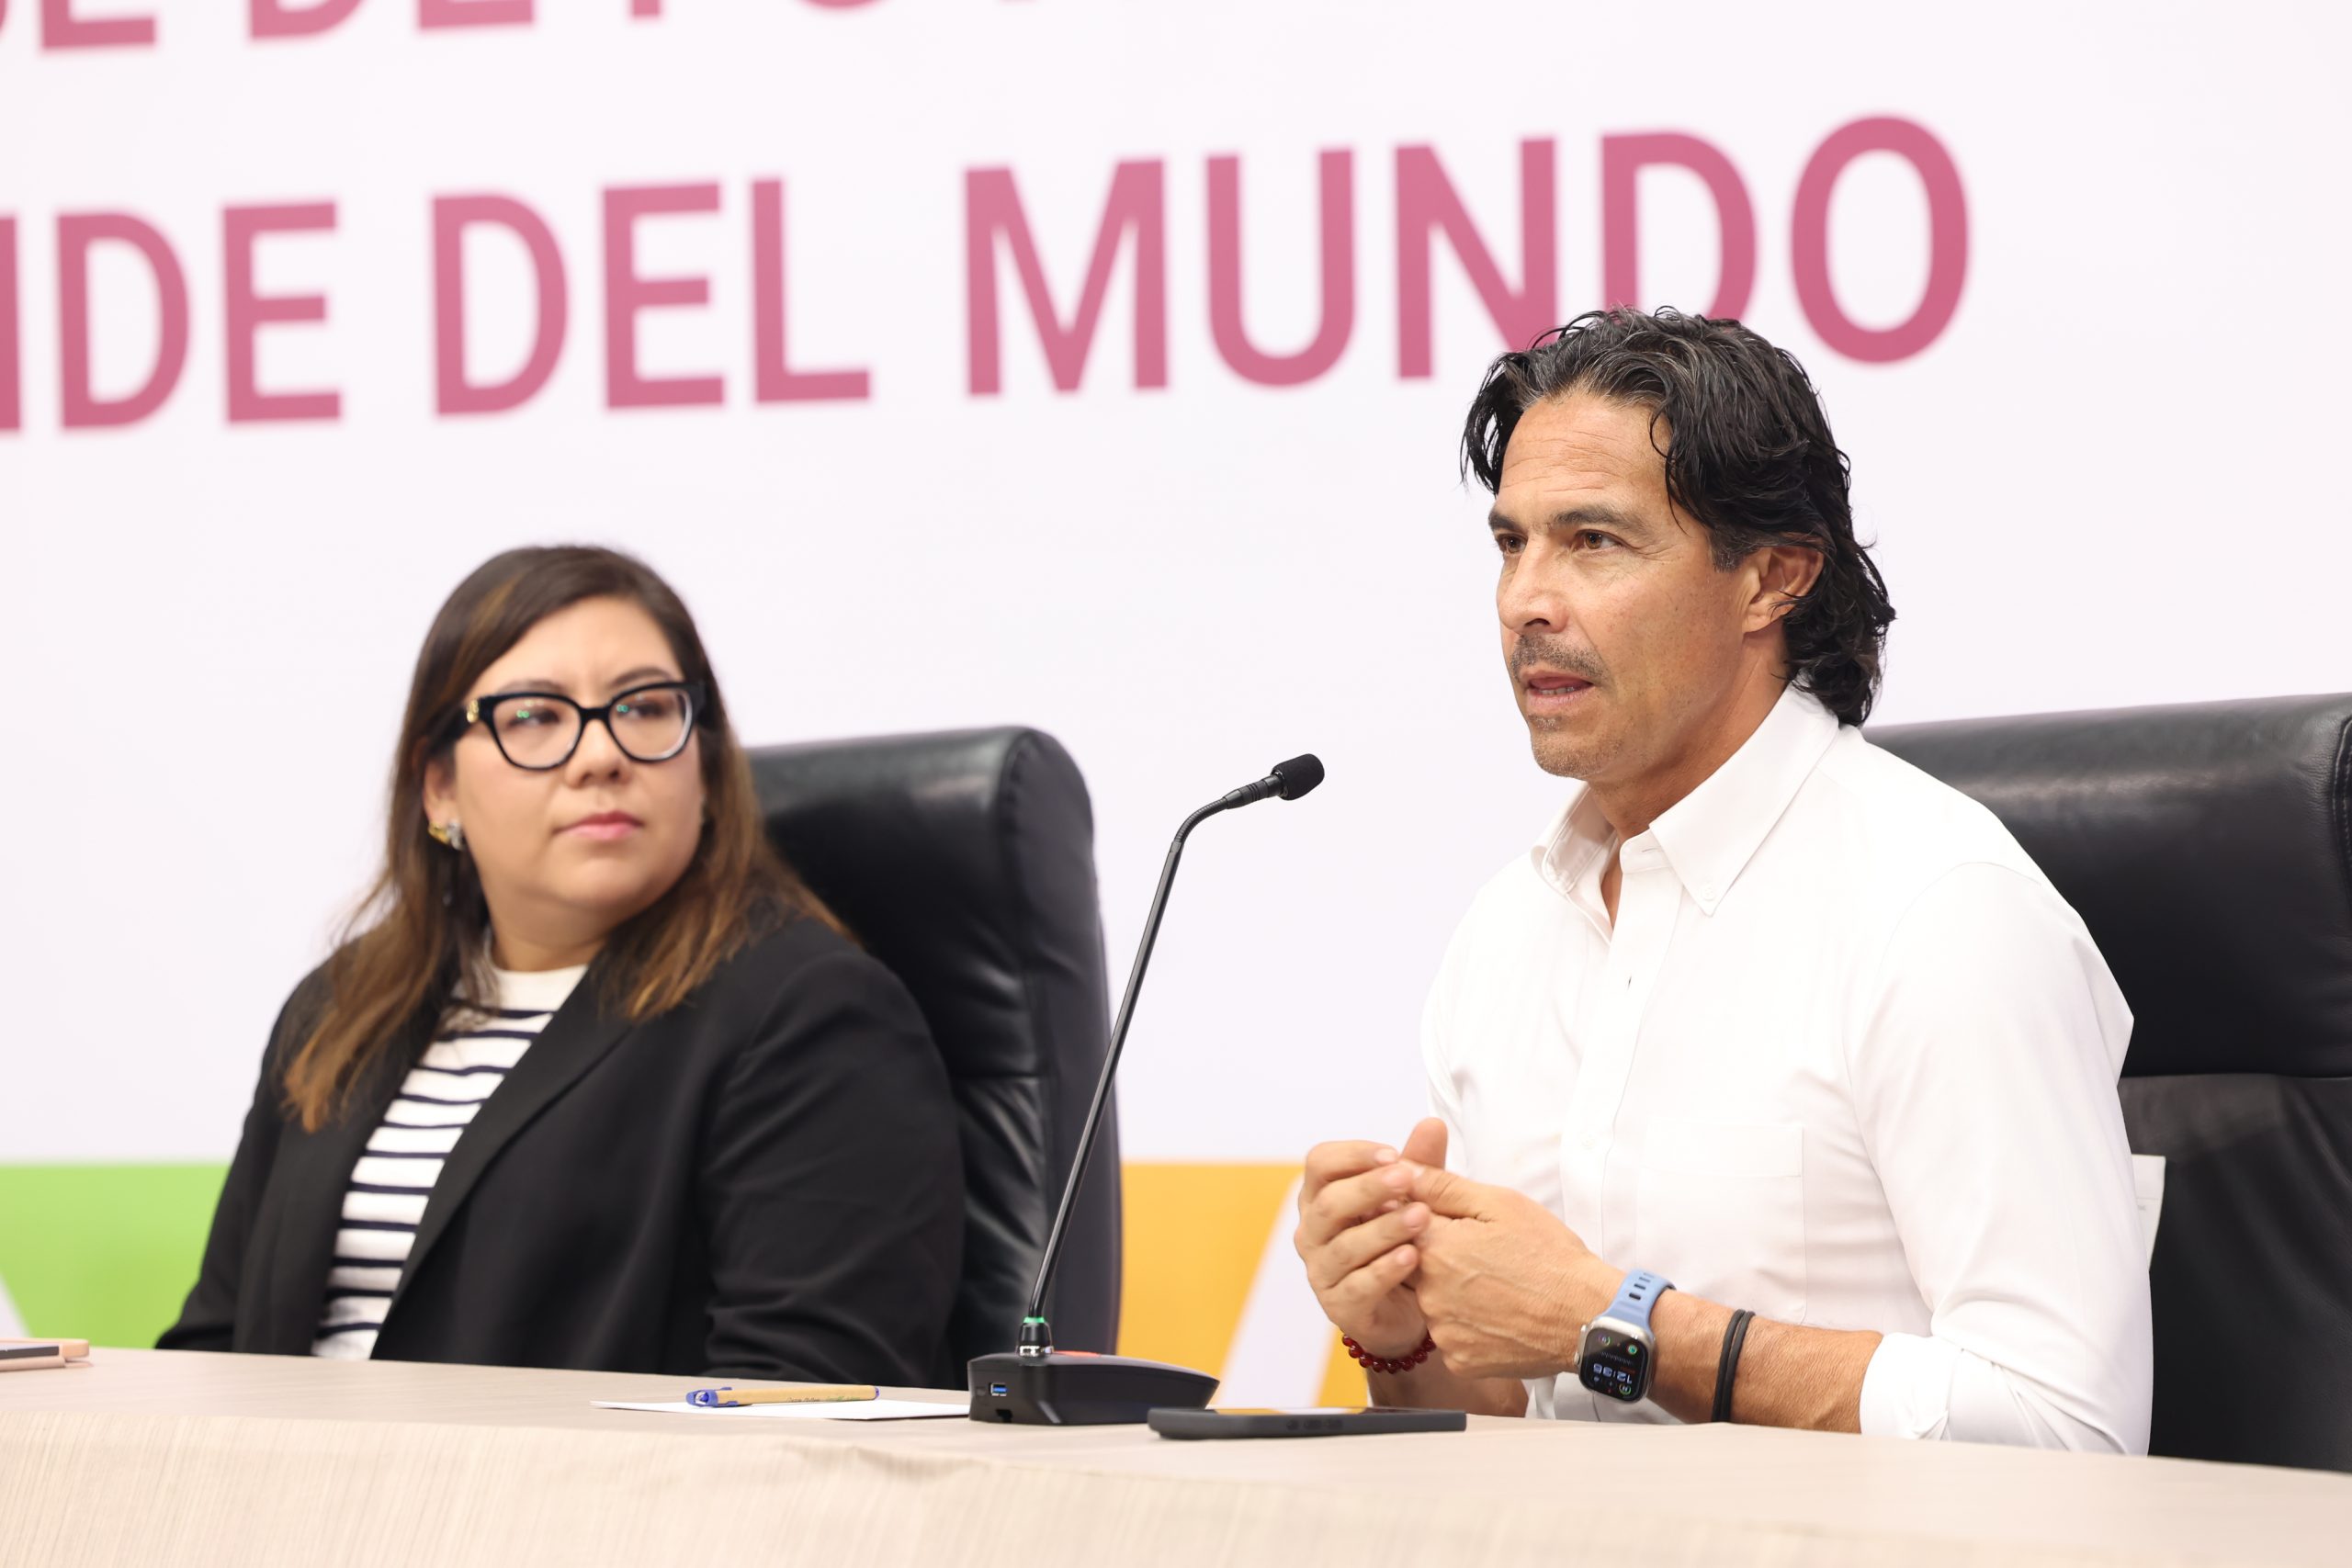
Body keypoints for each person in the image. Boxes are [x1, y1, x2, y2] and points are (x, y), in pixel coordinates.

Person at [1295, 309, 2152, 1450]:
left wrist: (1619, 1322)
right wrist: (1405, 1341)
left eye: (1593, 541)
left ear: (1769, 579)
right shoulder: (1506, 930)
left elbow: (2069, 1426)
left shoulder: (1938, 909)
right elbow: (1517, 1424)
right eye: (1511, 543)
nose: (1524, 602)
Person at [162, 546, 964, 1382]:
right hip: (285, 1465)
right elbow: (216, 1344)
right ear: (439, 785)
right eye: (535, 716)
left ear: (705, 765)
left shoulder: (810, 1014)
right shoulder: (340, 1008)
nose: (600, 755)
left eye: (644, 707)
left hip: (588, 1475)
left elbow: (801, 1396)